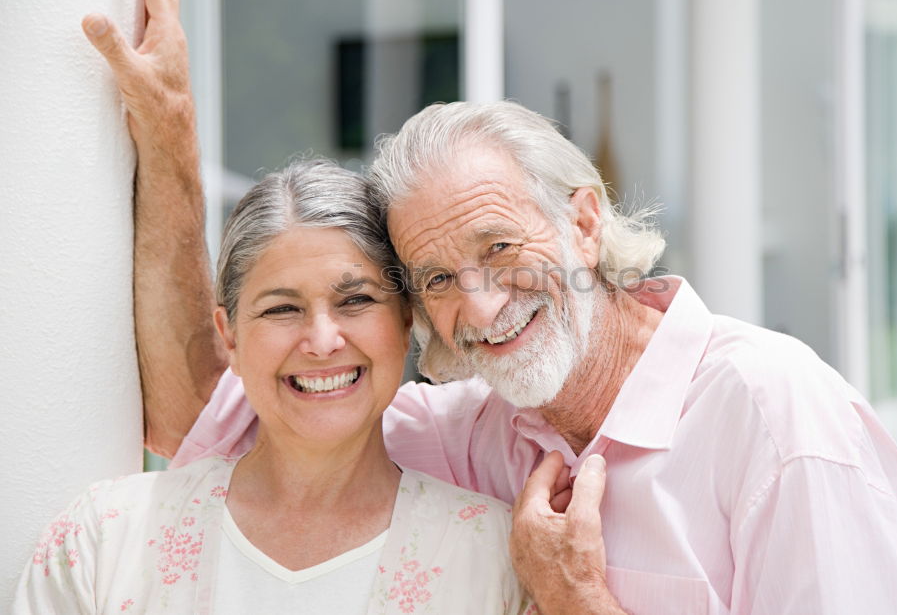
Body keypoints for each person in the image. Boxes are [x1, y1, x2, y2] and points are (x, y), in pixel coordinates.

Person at [82, 0, 897, 613]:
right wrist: (167, 131)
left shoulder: (775, 416)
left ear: (586, 222)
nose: (480, 305)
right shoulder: (482, 431)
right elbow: (204, 399)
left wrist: (579, 601)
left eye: (498, 248)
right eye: (438, 277)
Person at [15, 160, 531, 614]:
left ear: (403, 324)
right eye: (282, 309)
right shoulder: (105, 540)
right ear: (231, 338)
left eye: (356, 301)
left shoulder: (494, 559)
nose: (322, 341)